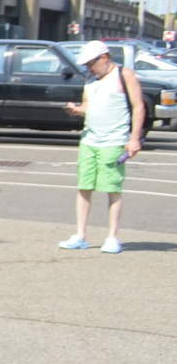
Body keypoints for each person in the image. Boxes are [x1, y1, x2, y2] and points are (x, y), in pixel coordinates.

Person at [60, 39, 148, 254]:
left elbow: (138, 107)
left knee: (112, 188)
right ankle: (80, 235)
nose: (88, 68)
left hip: (114, 140)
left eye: (90, 63)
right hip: (90, 140)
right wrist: (77, 110)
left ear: (104, 58)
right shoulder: (91, 78)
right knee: (84, 187)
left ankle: (112, 237)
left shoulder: (123, 75)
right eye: (86, 65)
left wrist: (134, 138)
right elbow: (88, 104)